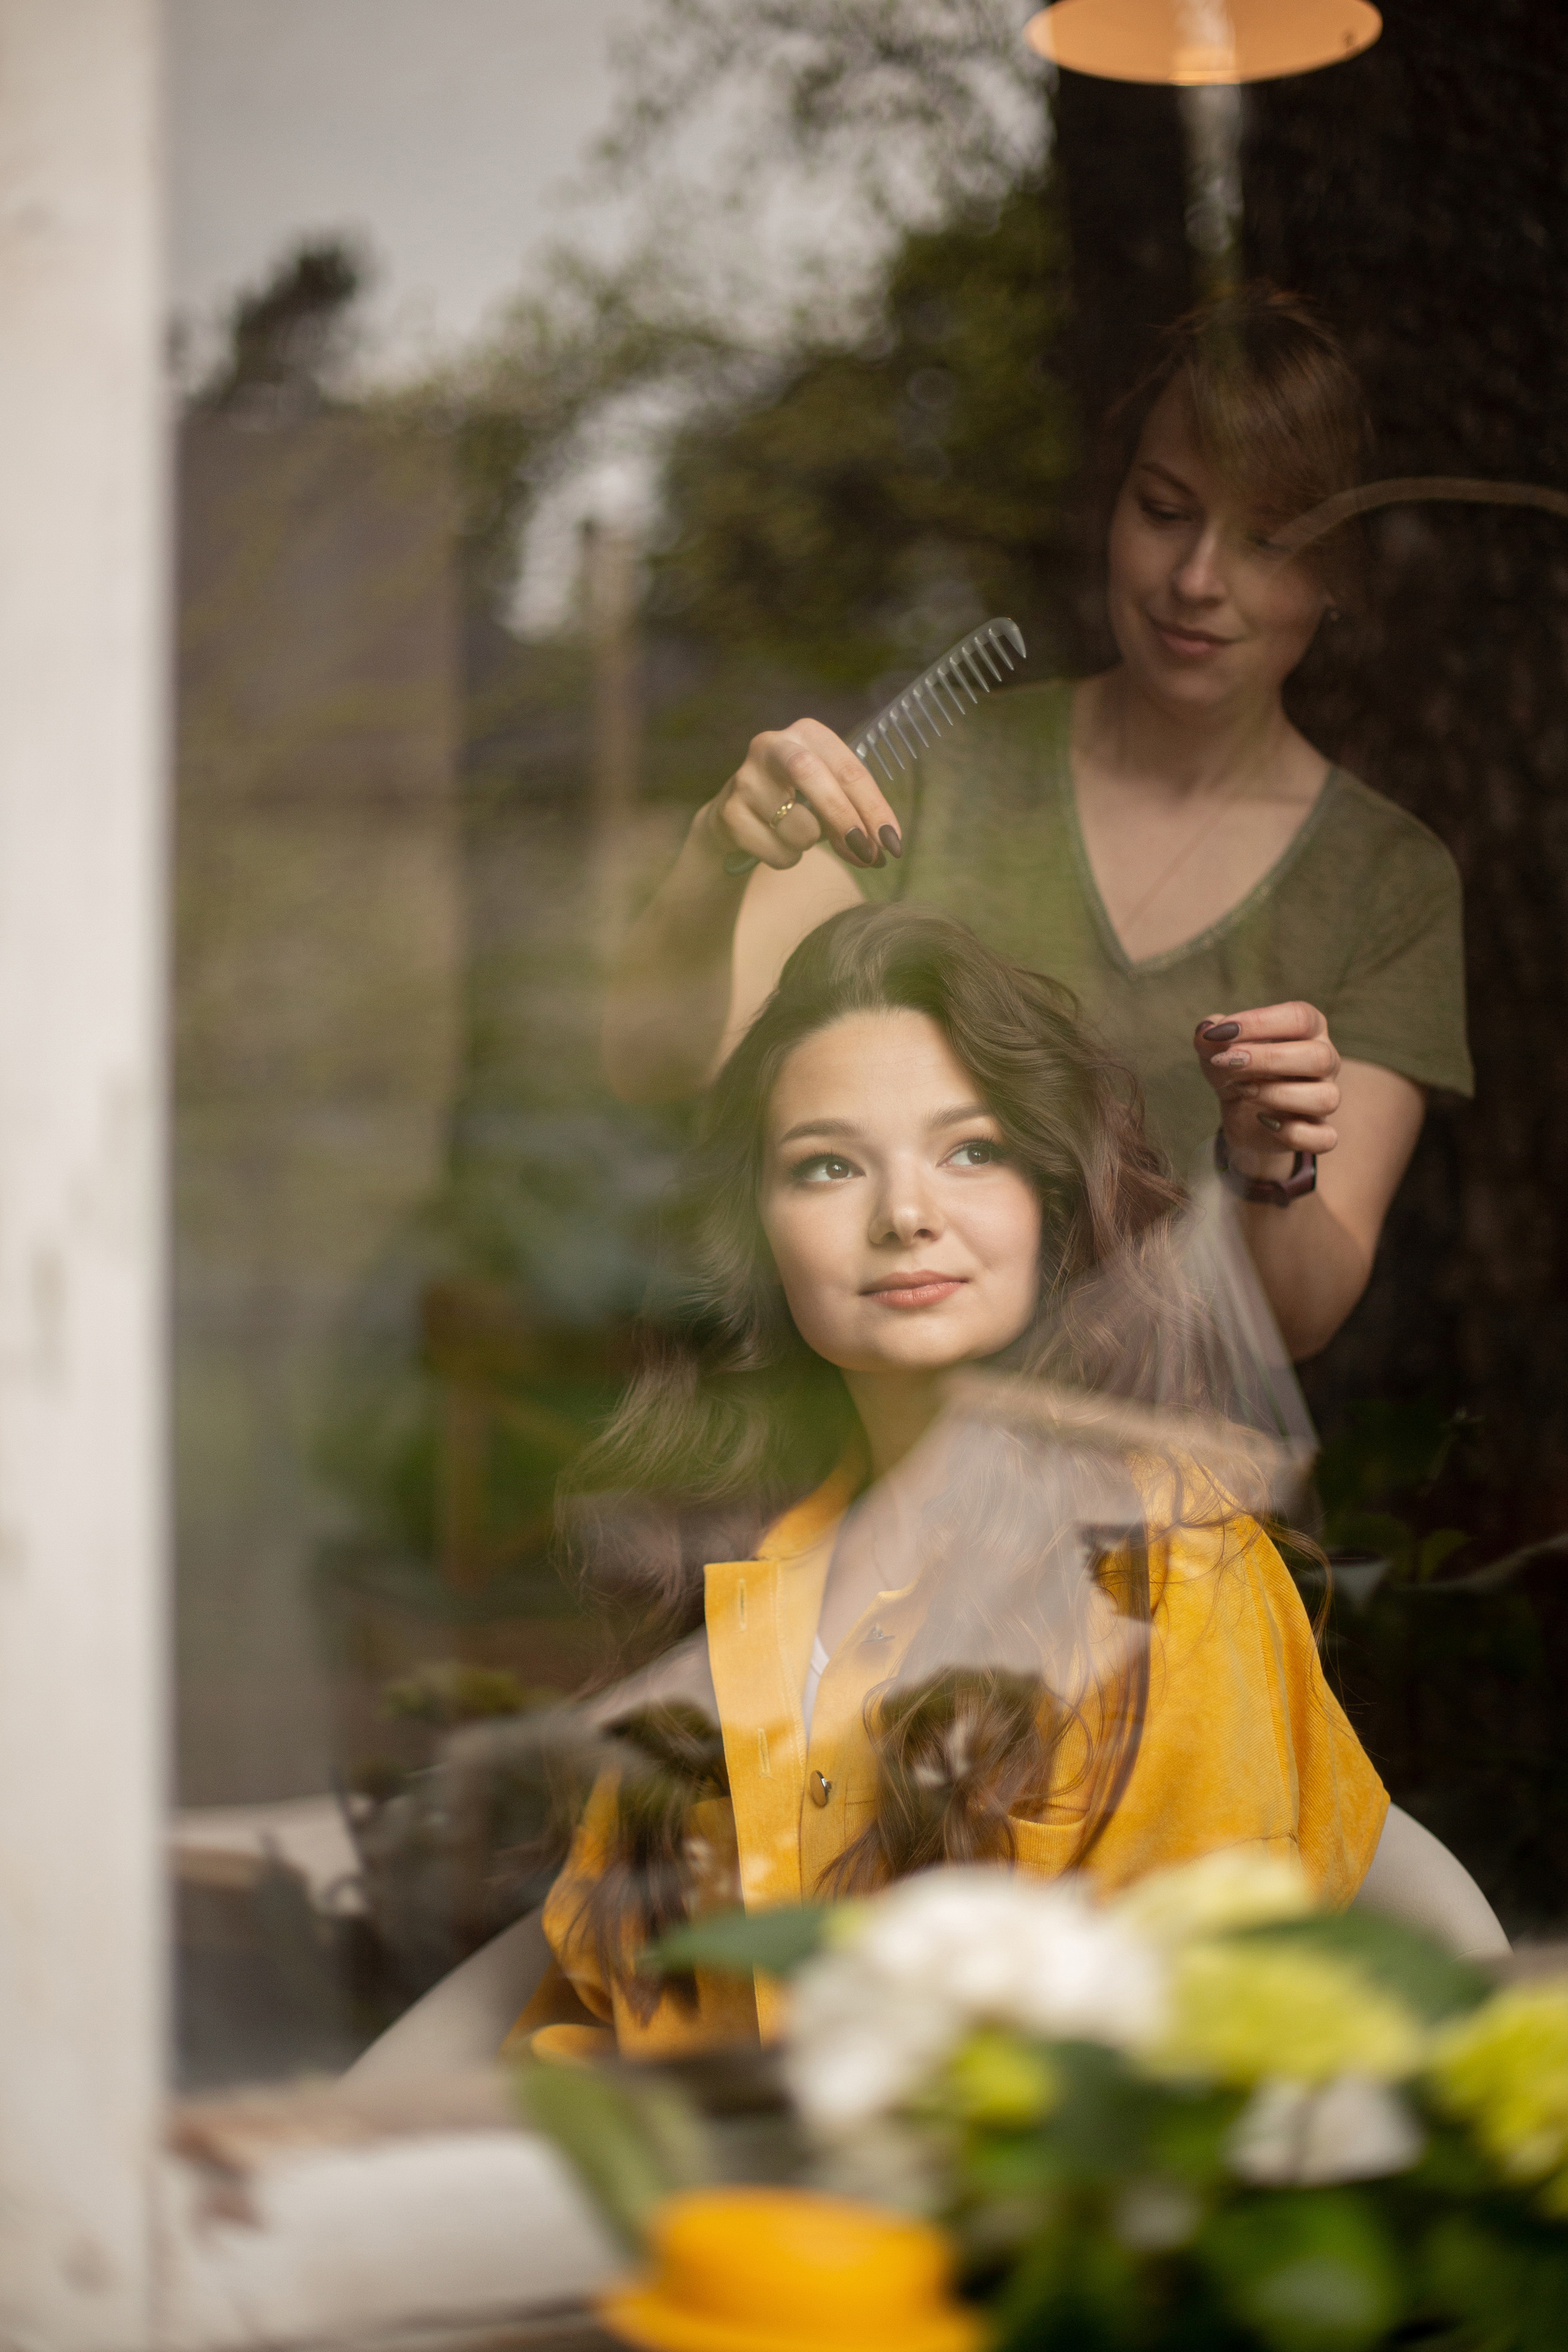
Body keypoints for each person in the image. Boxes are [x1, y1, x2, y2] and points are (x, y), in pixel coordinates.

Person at [527, 905, 1391, 2062]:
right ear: (761, 1235)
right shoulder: (740, 1568)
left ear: (1048, 1197)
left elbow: (1179, 2072)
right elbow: (599, 2013)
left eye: (970, 1149)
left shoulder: (1170, 1571)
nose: (905, 1214)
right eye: (828, 1165)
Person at [602, 287, 1472, 1363]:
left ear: (1341, 577)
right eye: (1163, 510)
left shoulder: (1386, 879)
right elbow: (655, 1061)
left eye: (1266, 541)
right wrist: (714, 860)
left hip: (1161, 1488)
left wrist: (1265, 1162)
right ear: (1112, 512)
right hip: (883, 1441)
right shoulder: (946, 771)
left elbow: (1288, 1324)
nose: (1198, 580)